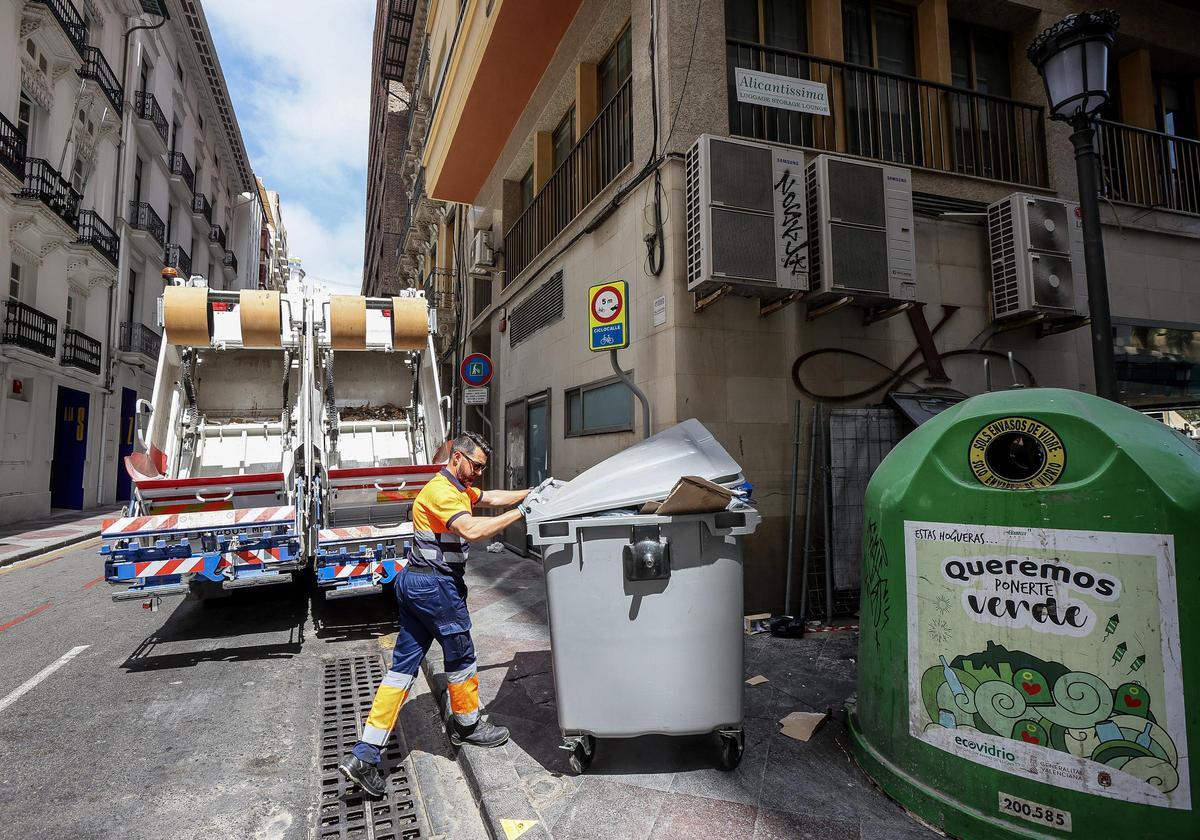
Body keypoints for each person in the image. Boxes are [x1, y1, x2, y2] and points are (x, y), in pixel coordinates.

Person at [339, 431, 531, 797]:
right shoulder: (443, 493)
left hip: (414, 583)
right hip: (436, 588)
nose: (478, 473)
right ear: (457, 457)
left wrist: (529, 493)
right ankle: (467, 725)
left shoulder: (457, 486)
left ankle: (364, 755)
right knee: (461, 657)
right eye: (475, 465)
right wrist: (521, 513)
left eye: (482, 468)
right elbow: (473, 530)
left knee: (401, 672)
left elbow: (489, 498)